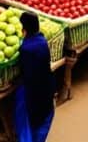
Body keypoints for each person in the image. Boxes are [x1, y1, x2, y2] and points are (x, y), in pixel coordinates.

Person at [14, 12, 56, 142]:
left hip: (31, 92)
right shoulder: (43, 41)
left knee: (27, 123)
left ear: (24, 30)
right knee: (43, 119)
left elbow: (24, 71)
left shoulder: (25, 49)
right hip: (46, 88)